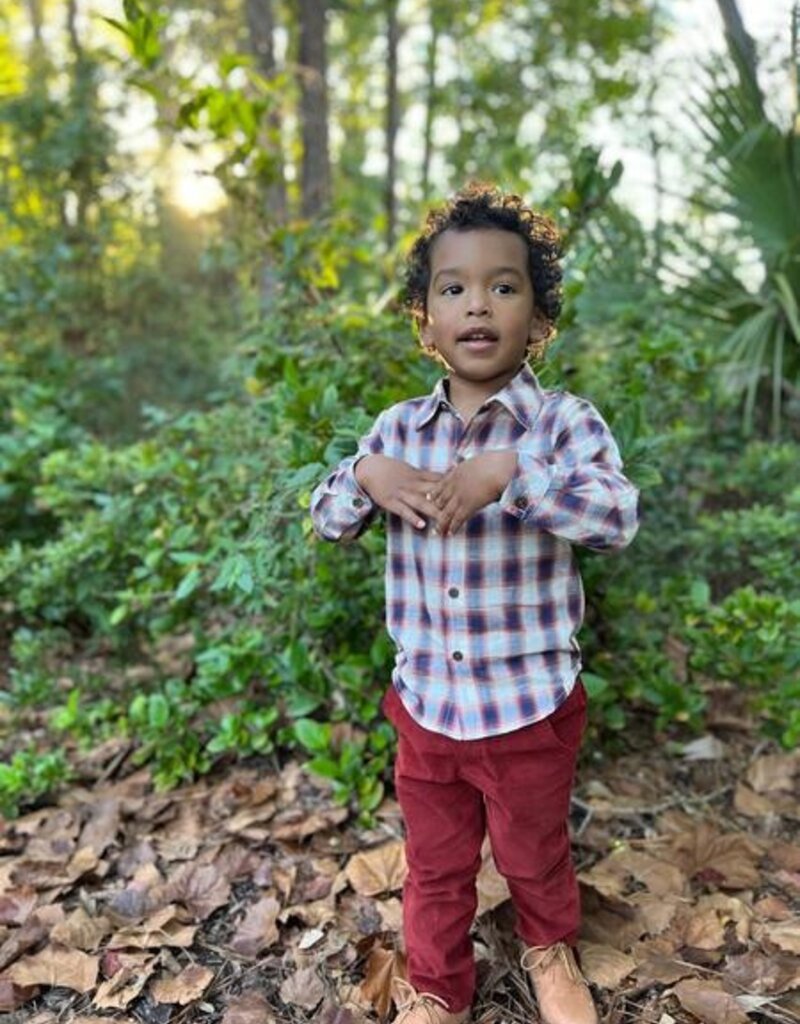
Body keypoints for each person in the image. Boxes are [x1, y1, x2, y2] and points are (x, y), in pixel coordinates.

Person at [310, 182, 639, 1024]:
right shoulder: (396, 434)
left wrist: (512, 475)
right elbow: (327, 518)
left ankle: (549, 948)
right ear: (425, 320)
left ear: (538, 317)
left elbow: (615, 516)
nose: (478, 303)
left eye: (505, 285)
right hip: (426, 706)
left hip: (528, 706)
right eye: (453, 288)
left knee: (534, 853)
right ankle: (438, 986)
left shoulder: (563, 426)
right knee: (437, 864)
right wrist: (363, 476)